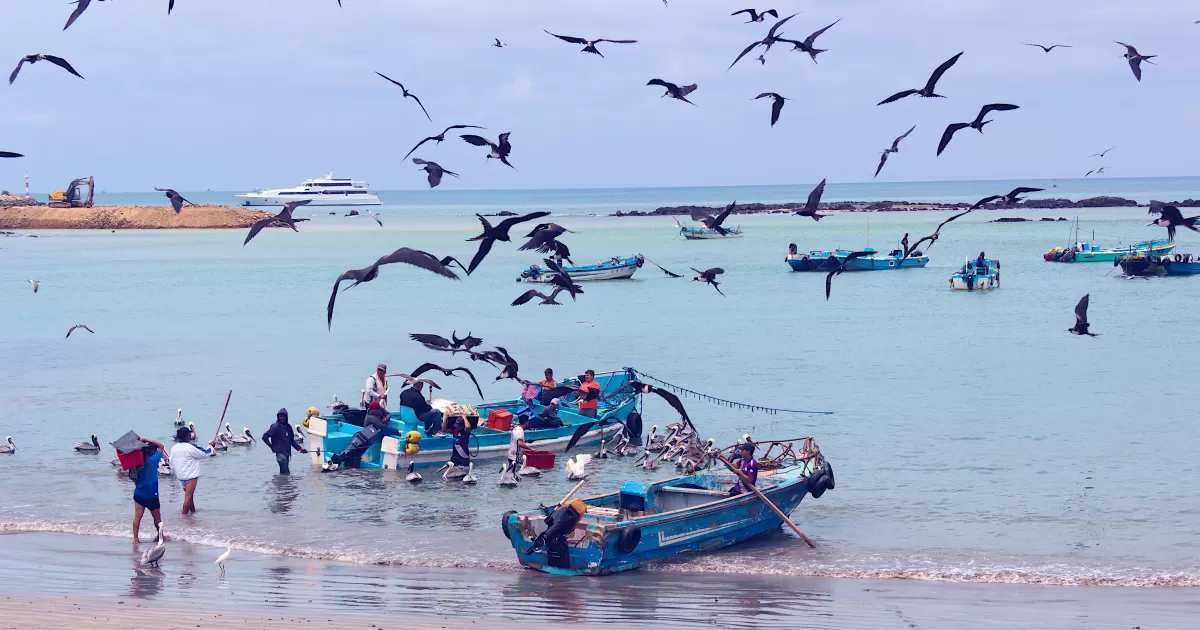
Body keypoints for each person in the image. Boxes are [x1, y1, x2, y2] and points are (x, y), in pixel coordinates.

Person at [169, 426, 215, 515]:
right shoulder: (190, 446)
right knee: (188, 497)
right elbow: (205, 453)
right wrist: (211, 446)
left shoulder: (174, 448)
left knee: (190, 497)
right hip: (190, 476)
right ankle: (184, 517)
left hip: (180, 476)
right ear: (187, 436)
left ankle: (193, 513)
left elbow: (171, 462)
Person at [132, 437, 168, 543]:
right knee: (157, 517)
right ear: (150, 450)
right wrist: (146, 439)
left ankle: (135, 538)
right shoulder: (153, 460)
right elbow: (161, 446)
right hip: (152, 495)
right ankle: (161, 536)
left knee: (137, 517)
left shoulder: (137, 463)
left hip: (139, 494)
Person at [262, 408, 307, 475]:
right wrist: (272, 447)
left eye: (283, 416)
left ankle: (283, 484)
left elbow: (291, 441)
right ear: (278, 417)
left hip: (287, 453)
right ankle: (285, 484)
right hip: (280, 454)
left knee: (284, 472)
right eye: (280, 416)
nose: (282, 418)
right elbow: (264, 437)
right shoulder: (275, 427)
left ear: (286, 417)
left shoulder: (288, 427)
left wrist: (300, 448)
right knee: (285, 472)